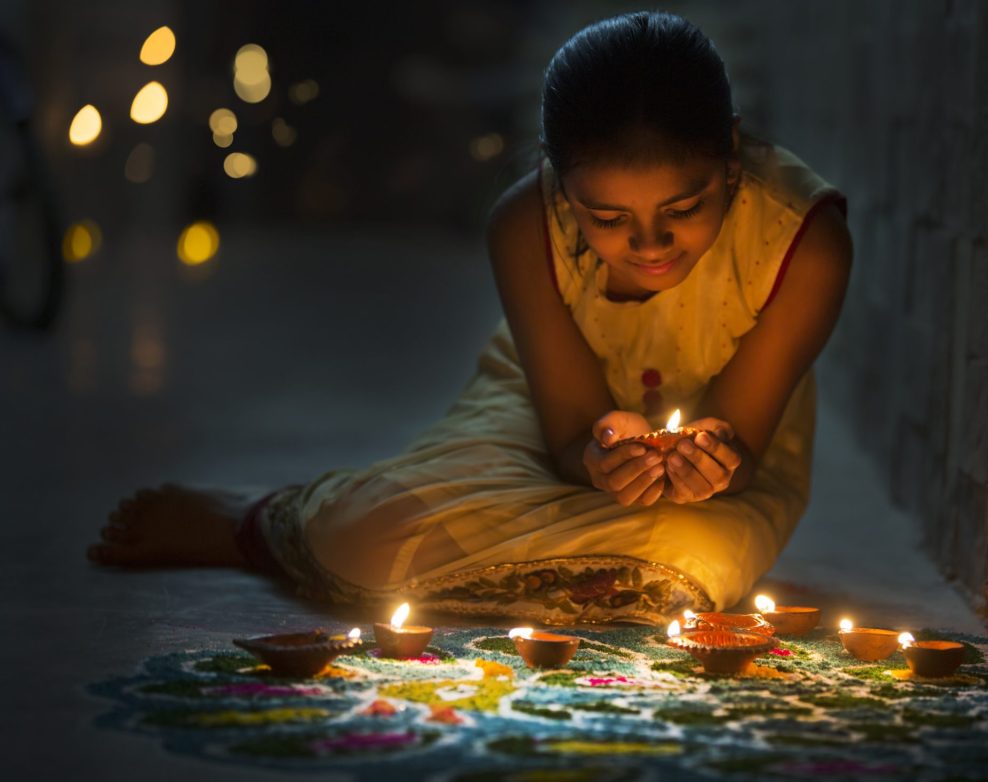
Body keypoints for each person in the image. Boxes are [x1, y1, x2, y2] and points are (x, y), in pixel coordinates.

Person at [88, 11, 851, 626]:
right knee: (373, 532)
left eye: (684, 210)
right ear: (557, 180)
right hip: (544, 413)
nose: (649, 245)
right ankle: (259, 521)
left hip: (720, 484)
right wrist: (596, 459)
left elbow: (742, 443)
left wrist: (710, 461)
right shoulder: (525, 226)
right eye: (608, 217)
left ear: (731, 155)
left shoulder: (803, 243)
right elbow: (565, 437)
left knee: (687, 563)